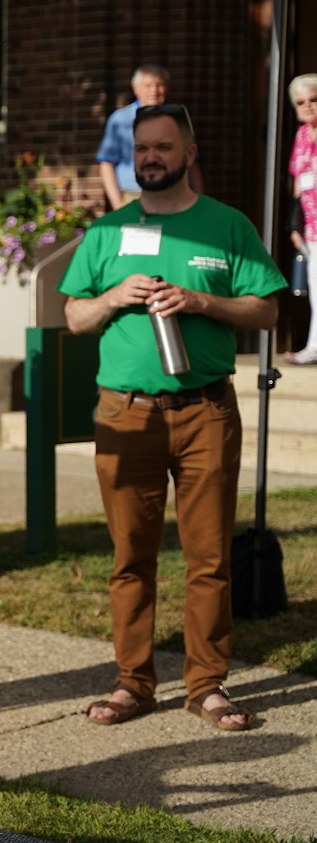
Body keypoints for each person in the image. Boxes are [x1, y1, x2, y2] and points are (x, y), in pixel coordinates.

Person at [61, 103, 283, 733]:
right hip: (125, 413)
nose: (151, 157)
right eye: (142, 149)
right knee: (131, 556)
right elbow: (74, 316)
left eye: (163, 146)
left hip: (206, 409)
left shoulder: (227, 225)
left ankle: (206, 685)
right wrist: (112, 296)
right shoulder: (108, 232)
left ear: (190, 152)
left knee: (207, 556)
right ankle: (133, 682)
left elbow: (266, 312)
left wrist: (199, 300)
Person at [95, 65, 203, 209]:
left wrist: (200, 199)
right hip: (134, 197)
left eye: (160, 85)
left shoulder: (178, 118)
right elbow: (106, 163)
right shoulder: (120, 119)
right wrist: (118, 204)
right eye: (148, 85)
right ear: (135, 89)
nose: (154, 90)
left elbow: (191, 162)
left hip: (177, 198)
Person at [286, 73, 317, 365]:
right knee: (315, 288)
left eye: (313, 99)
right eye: (300, 102)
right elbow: (298, 184)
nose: (307, 106)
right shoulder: (301, 136)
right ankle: (313, 346)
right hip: (312, 226)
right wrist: (296, 225)